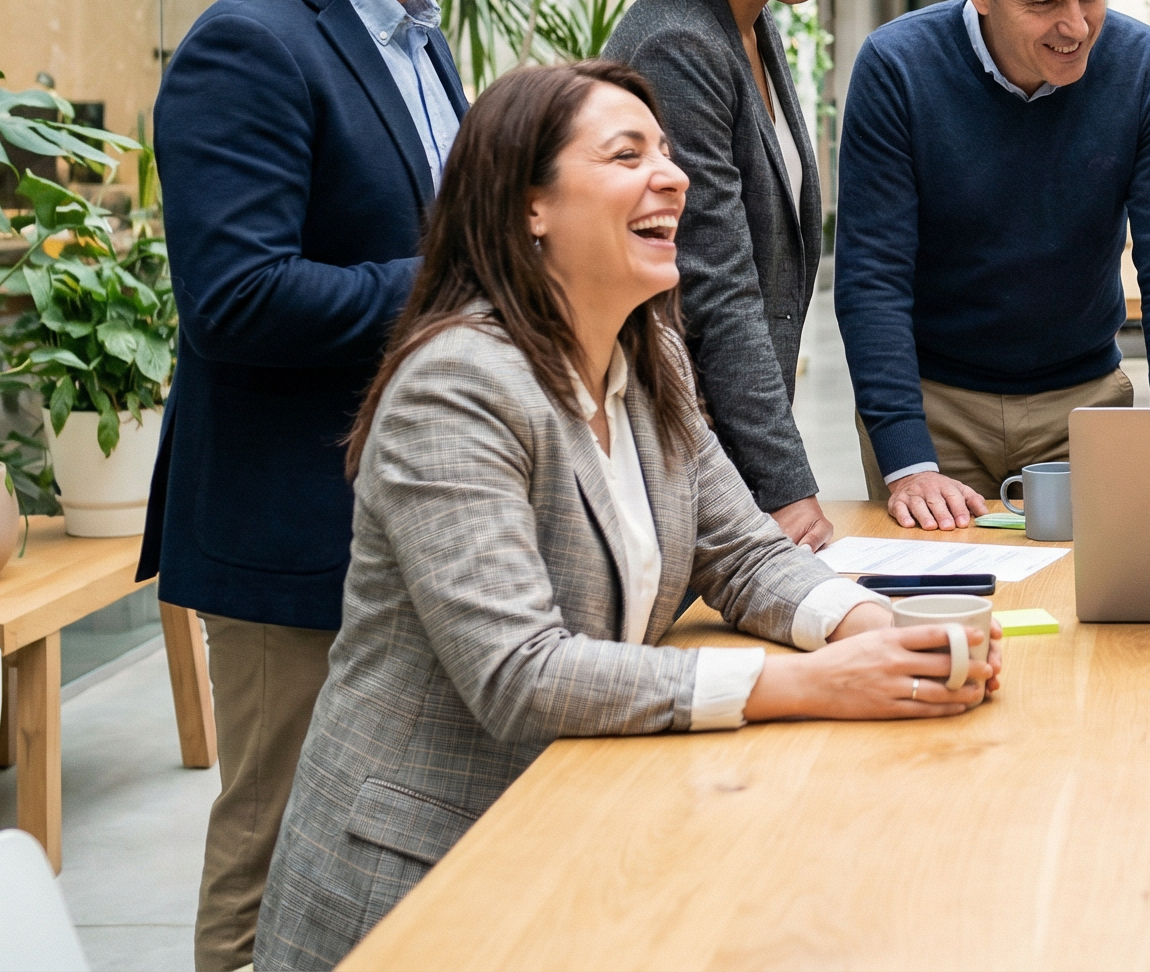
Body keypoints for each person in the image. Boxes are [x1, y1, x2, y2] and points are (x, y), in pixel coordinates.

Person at [254, 62, 999, 970]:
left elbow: (745, 554)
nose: (673, 176)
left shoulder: (650, 362)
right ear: (530, 206)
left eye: (669, 152)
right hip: (424, 878)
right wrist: (811, 684)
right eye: (627, 155)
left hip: (574, 824)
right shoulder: (455, 387)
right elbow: (519, 673)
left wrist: (878, 631)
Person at [142, 0, 517, 972]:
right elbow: (236, 299)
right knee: (276, 844)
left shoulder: (420, 33)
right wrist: (465, 282)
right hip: (290, 528)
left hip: (396, 513)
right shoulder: (249, 42)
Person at [835, 0, 1150, 529]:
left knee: (1096, 586)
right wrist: (907, 458)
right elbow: (872, 276)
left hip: (1084, 404)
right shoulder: (897, 68)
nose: (1077, 26)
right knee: (941, 583)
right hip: (935, 408)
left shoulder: (1146, 66)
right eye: (1044, 2)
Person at [603, 0, 871, 549]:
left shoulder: (751, 20)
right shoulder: (681, 43)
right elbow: (715, 284)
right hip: (685, 440)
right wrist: (786, 487)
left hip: (727, 437)